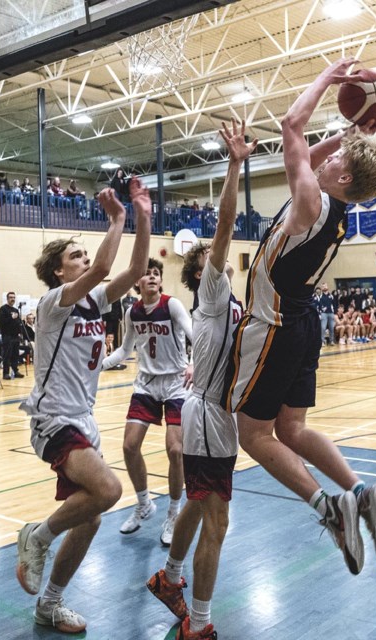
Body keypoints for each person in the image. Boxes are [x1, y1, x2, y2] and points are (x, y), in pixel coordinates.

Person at [220, 58, 376, 577]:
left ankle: (329, 508)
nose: (322, 162)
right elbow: (309, 153)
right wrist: (351, 135)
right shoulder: (333, 208)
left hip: (272, 324)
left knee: (253, 435)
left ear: (341, 177)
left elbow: (291, 129)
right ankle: (362, 492)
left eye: (335, 162)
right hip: (303, 325)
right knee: (294, 428)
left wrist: (328, 77)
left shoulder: (310, 200)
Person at [14, 181, 152, 634]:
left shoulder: (95, 299)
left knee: (91, 517)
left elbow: (132, 270)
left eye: (83, 254)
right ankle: (37, 536)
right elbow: (110, 264)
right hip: (53, 418)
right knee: (110, 491)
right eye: (75, 256)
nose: (86, 260)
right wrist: (116, 220)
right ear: (57, 272)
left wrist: (143, 213)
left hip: (83, 419)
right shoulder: (54, 303)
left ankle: (49, 605)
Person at [147, 118, 255, 640]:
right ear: (201, 273)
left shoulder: (228, 304)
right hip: (208, 415)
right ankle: (201, 625)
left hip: (210, 411)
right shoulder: (211, 292)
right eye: (213, 260)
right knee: (218, 522)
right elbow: (226, 227)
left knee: (196, 500)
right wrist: (234, 164)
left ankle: (169, 579)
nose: (223, 260)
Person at [101, 256, 193, 547]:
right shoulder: (132, 313)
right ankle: (144, 504)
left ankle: (174, 512)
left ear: (161, 281)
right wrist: (98, 364)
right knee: (129, 446)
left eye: (156, 274)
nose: (152, 277)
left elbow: (195, 336)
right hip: (147, 384)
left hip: (177, 383)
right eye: (146, 274)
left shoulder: (172, 305)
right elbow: (124, 350)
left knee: (175, 450)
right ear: (137, 282)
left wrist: (194, 364)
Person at [0, 291, 25, 380]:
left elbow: (18, 322)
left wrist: (20, 332)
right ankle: (6, 373)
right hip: (7, 336)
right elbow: (1, 321)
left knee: (15, 354)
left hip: (15, 336)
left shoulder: (16, 310)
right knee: (7, 355)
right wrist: (11, 317)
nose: (12, 299)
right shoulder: (3, 309)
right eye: (11, 297)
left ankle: (15, 371)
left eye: (14, 297)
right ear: (7, 298)